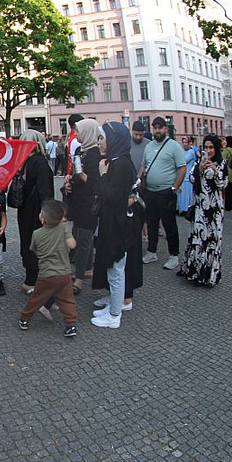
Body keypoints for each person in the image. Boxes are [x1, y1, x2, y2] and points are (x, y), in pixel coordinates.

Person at [91, 122, 137, 329]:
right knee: (114, 268)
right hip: (113, 222)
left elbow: (111, 197)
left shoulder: (120, 165)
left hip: (117, 225)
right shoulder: (117, 161)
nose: (99, 142)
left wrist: (102, 176)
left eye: (102, 138)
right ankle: (114, 304)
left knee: (116, 269)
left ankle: (114, 314)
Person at [18, 200, 77, 337]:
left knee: (37, 298)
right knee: (67, 300)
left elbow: (34, 249)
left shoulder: (37, 234)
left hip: (46, 274)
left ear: (43, 219)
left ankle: (25, 319)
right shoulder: (64, 228)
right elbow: (72, 244)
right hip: (64, 273)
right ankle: (71, 325)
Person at [178, 135, 228, 287]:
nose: (208, 150)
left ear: (216, 148)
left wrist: (215, 170)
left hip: (215, 209)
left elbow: (223, 184)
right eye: (206, 147)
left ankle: (210, 274)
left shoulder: (222, 163)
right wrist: (199, 170)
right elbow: (192, 179)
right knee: (198, 239)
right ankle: (195, 272)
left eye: (211, 147)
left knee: (213, 240)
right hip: (200, 207)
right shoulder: (200, 162)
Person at [140, 117, 187, 270]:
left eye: (160, 128)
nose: (157, 130)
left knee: (169, 225)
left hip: (166, 192)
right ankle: (151, 251)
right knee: (152, 223)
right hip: (150, 192)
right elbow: (144, 165)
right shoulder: (148, 146)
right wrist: (138, 179)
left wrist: (174, 187)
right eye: (155, 128)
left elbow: (182, 168)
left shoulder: (174, 146)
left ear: (166, 129)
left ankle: (174, 255)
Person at [64, 118, 101, 295]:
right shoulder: (80, 149)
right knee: (78, 235)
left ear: (88, 132)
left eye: (78, 131)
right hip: (78, 201)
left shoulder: (96, 153)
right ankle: (87, 269)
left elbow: (94, 182)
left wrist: (79, 174)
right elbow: (75, 173)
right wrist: (69, 181)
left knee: (84, 241)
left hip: (89, 204)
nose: (76, 134)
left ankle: (78, 279)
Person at [17, 130, 55, 294]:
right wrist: (47, 213)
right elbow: (45, 191)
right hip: (37, 211)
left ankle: (30, 279)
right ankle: (36, 281)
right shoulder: (40, 162)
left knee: (27, 242)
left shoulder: (22, 162)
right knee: (39, 244)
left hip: (24, 210)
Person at [176, 137, 197, 214]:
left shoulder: (191, 152)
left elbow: (183, 161)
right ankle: (179, 208)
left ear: (189, 143)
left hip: (187, 177)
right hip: (181, 176)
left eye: (186, 142)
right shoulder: (181, 151)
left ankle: (186, 209)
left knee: (187, 194)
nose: (184, 144)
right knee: (180, 195)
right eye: (183, 142)